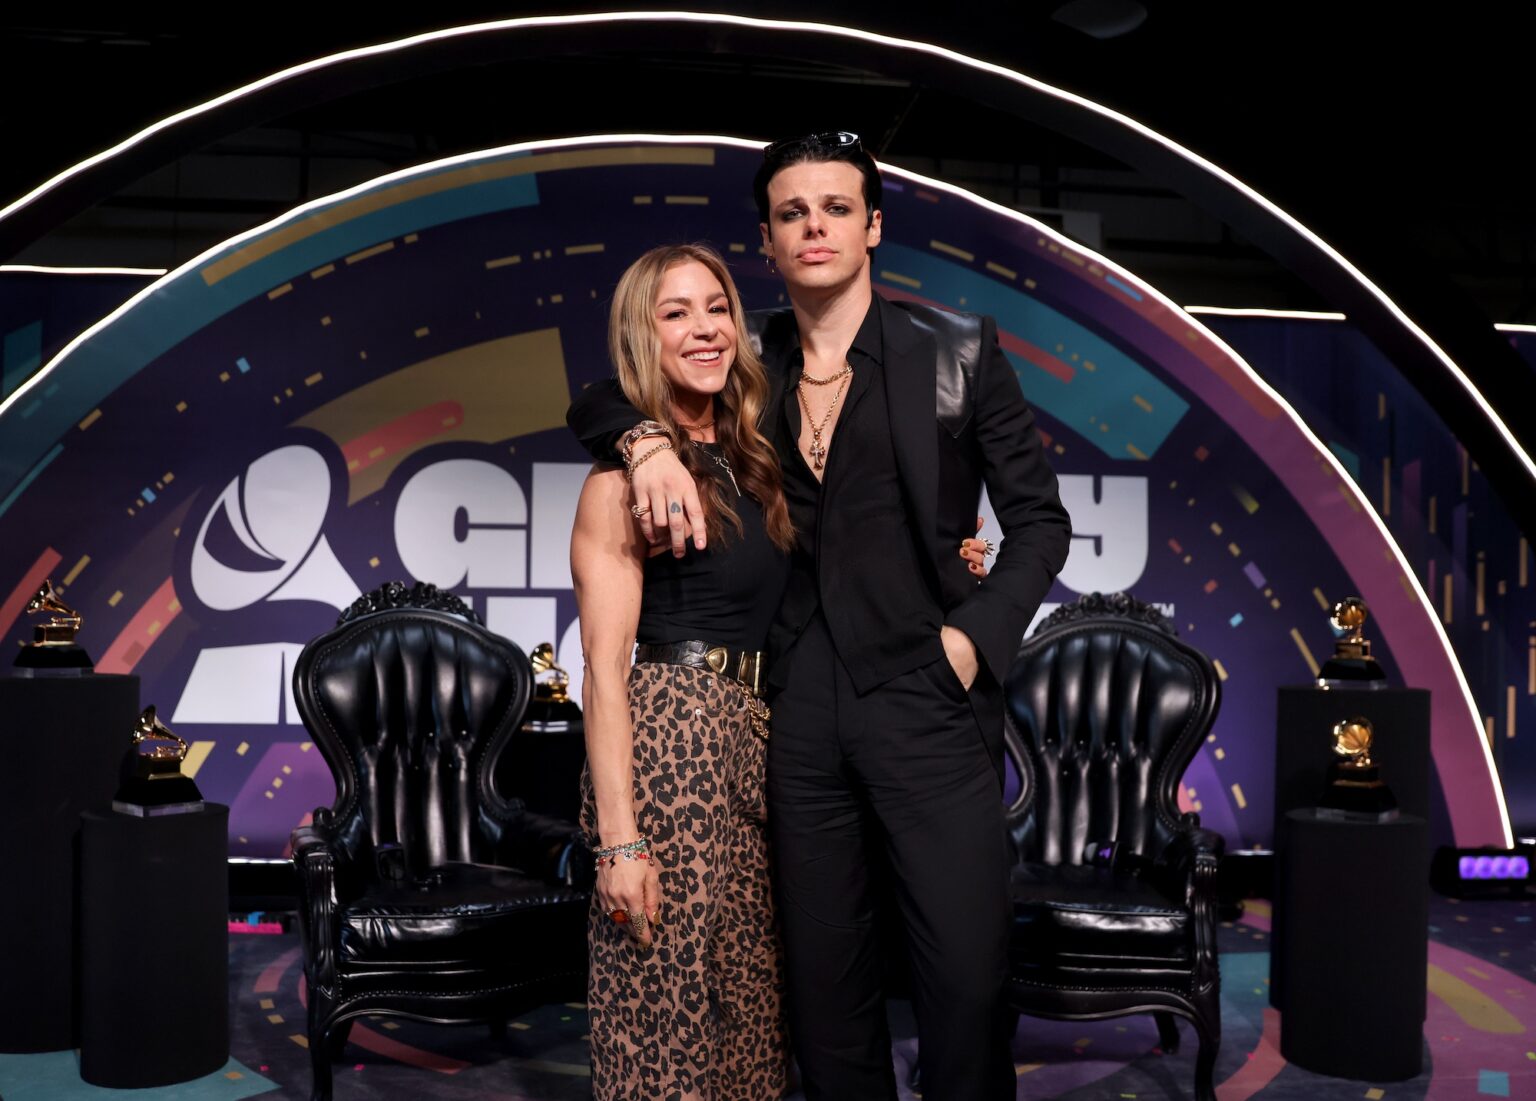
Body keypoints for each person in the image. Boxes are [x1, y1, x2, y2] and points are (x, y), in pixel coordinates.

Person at [568, 134, 1072, 1101]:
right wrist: (641, 443)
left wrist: (970, 640)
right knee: (825, 1005)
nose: (815, 226)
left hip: (929, 699)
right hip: (794, 718)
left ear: (872, 226)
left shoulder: (958, 353)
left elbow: (1040, 521)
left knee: (965, 986)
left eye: (836, 208)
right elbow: (613, 382)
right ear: (767, 238)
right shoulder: (747, 355)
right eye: (793, 212)